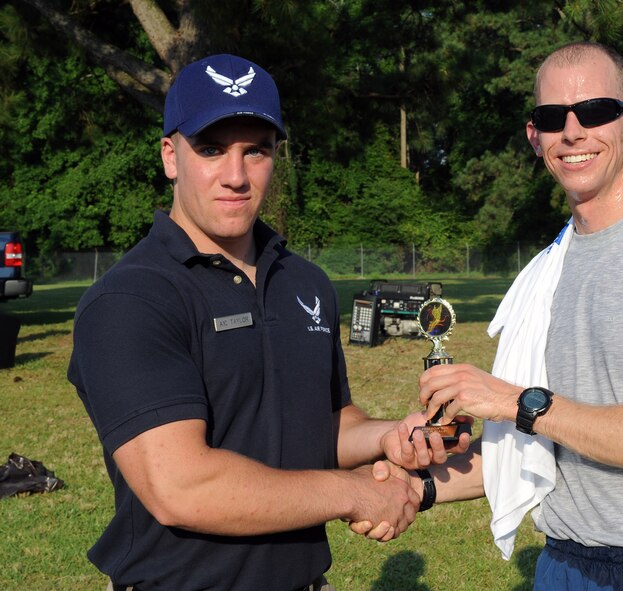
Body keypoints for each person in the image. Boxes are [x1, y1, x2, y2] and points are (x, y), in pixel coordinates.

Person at [68, 54, 467, 591]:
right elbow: (182, 487)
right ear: (170, 156)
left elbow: (324, 424)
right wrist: (354, 492)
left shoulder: (305, 283)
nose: (235, 176)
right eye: (211, 149)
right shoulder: (130, 298)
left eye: (254, 150)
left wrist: (389, 436)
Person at [378, 41, 623, 590]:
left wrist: (513, 401)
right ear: (535, 137)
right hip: (564, 567)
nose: (573, 132)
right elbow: (539, 448)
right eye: (553, 117)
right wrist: (422, 485)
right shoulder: (545, 270)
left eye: (597, 110)